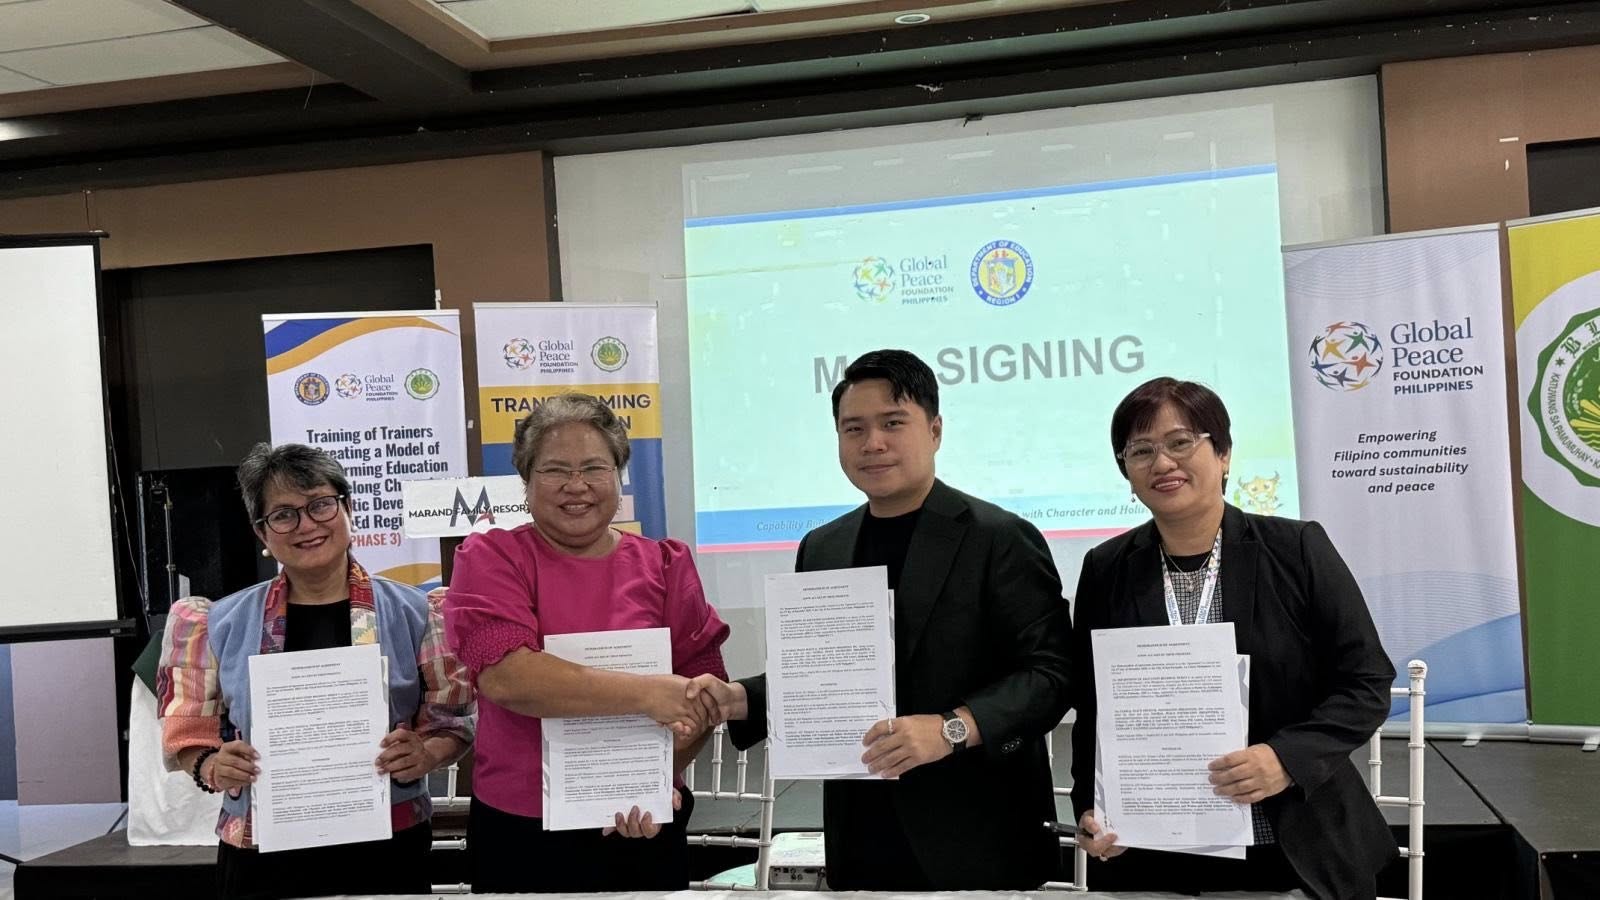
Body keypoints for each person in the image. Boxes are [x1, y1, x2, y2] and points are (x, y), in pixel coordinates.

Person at [688, 349, 1072, 890]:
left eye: (894, 423)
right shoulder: (822, 547)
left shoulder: (999, 537)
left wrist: (951, 728)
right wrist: (742, 698)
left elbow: (1052, 674)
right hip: (861, 830)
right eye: (854, 429)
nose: (873, 443)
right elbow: (827, 675)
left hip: (979, 833)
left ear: (935, 430)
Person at [1071, 377, 1396, 900]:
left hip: (1292, 847)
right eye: (1141, 450)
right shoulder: (1107, 569)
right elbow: (1094, 706)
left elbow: (1367, 682)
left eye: (1181, 443)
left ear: (1221, 453)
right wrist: (1094, 804)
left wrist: (1286, 759)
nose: (1162, 463)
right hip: (1156, 850)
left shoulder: (1296, 549)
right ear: (1126, 470)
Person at [157, 443, 475, 899]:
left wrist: (426, 753)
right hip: (262, 849)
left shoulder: (418, 613)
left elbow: (452, 721)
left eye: (321, 505)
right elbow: (188, 731)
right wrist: (211, 764)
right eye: (283, 515)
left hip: (386, 843)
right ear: (261, 533)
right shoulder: (216, 622)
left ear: (348, 509)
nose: (306, 525)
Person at [443, 392, 730, 893]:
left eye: (594, 468)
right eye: (555, 470)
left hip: (642, 820)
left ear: (618, 474)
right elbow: (511, 678)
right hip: (521, 830)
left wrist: (657, 776)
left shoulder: (666, 564)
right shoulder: (492, 556)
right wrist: (648, 693)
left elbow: (705, 691)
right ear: (526, 481)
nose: (576, 486)